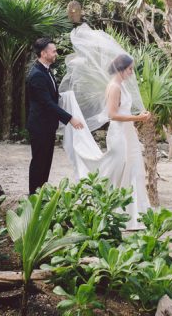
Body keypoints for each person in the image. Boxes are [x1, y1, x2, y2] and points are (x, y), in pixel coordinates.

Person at [59, 25, 152, 230]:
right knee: (116, 167)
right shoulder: (114, 87)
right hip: (119, 134)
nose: (131, 72)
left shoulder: (121, 85)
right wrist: (137, 118)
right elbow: (112, 115)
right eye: (129, 69)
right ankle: (101, 202)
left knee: (134, 169)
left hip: (128, 134)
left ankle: (135, 214)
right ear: (121, 68)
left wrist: (137, 119)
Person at [26, 37, 84, 195]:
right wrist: (70, 118)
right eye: (54, 51)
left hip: (47, 125)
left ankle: (41, 194)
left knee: (46, 162)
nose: (56, 53)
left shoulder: (46, 70)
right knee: (39, 162)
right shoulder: (37, 74)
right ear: (44, 53)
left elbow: (52, 97)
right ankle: (34, 196)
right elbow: (47, 103)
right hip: (39, 126)